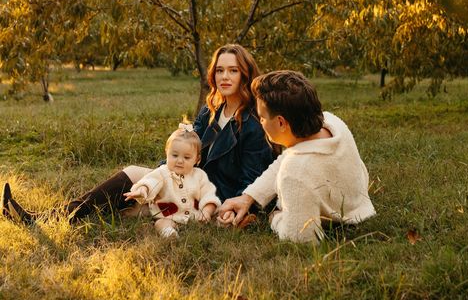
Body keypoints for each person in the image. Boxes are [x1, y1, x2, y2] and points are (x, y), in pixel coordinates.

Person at [1, 44, 274, 225]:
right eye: (220, 70)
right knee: (131, 194)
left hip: (209, 199)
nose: (225, 76)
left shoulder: (252, 124)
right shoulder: (211, 110)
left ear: (245, 75)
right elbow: (182, 152)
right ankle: (47, 218)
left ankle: (47, 219)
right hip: (182, 183)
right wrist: (156, 177)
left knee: (132, 191)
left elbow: (250, 184)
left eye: (233, 70)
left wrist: (222, 210)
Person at [218, 70, 376, 243]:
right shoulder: (332, 123)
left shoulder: (295, 172)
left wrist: (276, 218)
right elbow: (287, 158)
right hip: (356, 204)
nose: (260, 122)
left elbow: (301, 237)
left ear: (281, 122)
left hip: (340, 218)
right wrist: (248, 198)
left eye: (262, 118)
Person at [123, 123, 220, 239]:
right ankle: (169, 233)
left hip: (194, 217)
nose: (180, 161)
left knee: (215, 215)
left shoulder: (200, 176)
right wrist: (143, 190)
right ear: (166, 153)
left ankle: (197, 225)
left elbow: (209, 195)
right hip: (168, 216)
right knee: (161, 223)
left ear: (197, 159)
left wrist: (206, 212)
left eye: (187, 157)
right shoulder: (163, 172)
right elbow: (150, 181)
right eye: (174, 155)